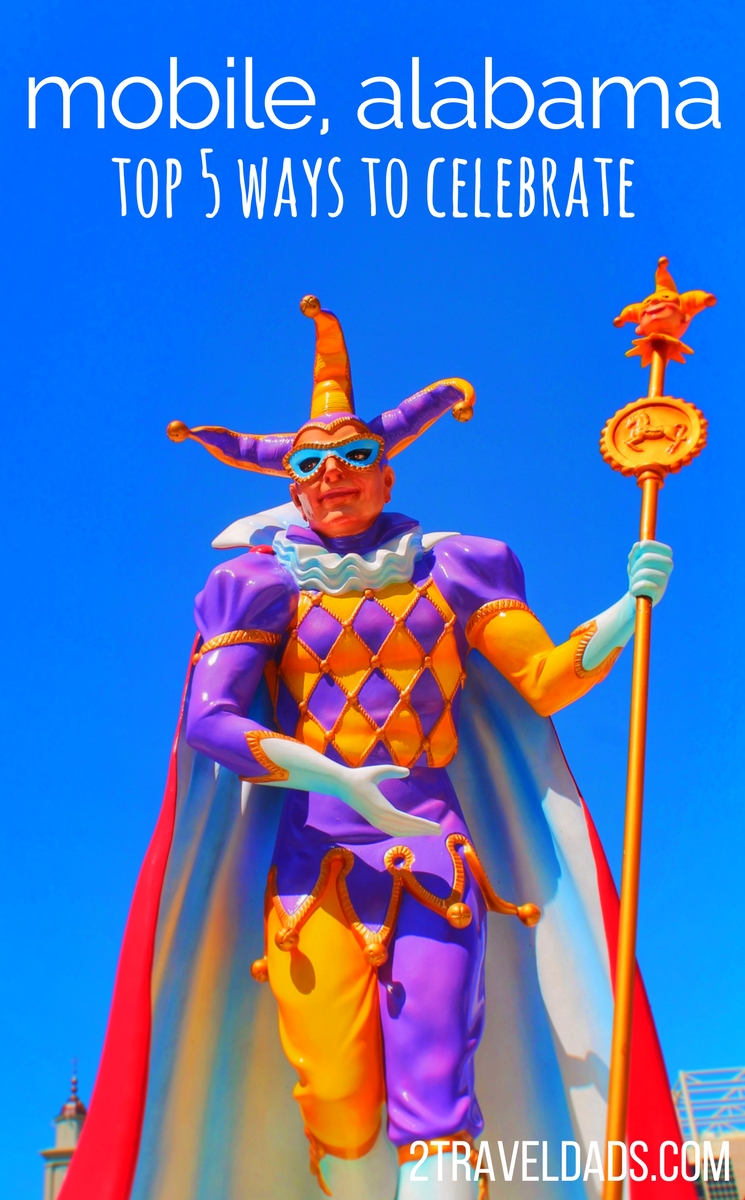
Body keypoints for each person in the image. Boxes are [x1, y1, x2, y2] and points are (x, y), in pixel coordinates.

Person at [60, 297, 690, 1200]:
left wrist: (627, 610)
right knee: (341, 1106)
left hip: (433, 849)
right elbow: (211, 719)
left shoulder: (459, 567)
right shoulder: (256, 583)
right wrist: (337, 779)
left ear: (385, 472)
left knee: (435, 1096)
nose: (331, 477)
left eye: (354, 456)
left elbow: (545, 679)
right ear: (292, 488)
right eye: (308, 465)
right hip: (314, 856)